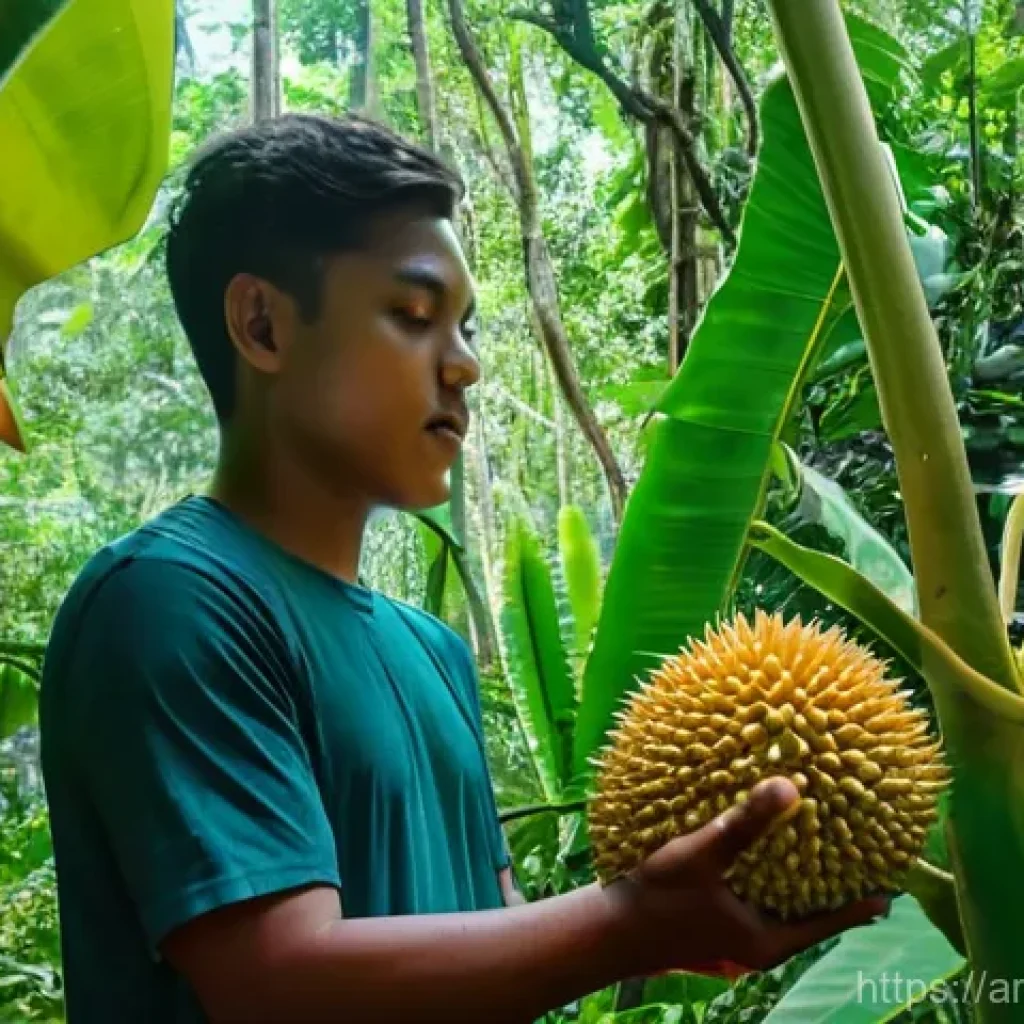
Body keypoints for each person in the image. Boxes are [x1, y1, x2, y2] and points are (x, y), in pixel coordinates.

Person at [38, 112, 888, 1024]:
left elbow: (496, 944)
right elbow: (274, 978)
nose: (467, 367)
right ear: (263, 325)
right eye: (413, 316)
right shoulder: (171, 601)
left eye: (466, 327)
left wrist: (667, 921)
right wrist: (631, 923)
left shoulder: (434, 653)